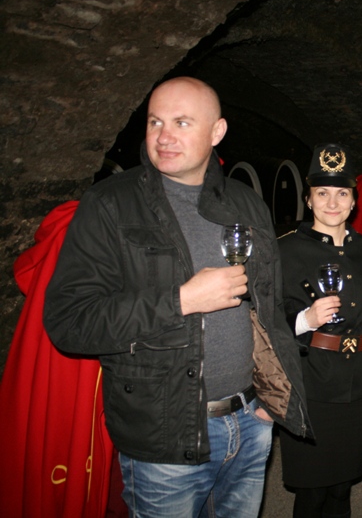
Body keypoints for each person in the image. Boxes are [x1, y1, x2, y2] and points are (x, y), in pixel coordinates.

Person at [43, 76, 310, 516]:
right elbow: (70, 322)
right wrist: (182, 300)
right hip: (164, 435)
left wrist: (269, 401)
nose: (164, 137)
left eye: (182, 123)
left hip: (250, 421)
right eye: (155, 122)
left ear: (217, 132)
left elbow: (270, 309)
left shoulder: (246, 203)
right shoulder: (110, 204)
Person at [277, 143, 362, 518]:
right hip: (309, 383)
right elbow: (262, 323)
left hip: (357, 384)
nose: (332, 202)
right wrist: (305, 320)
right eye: (322, 193)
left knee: (342, 490)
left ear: (354, 201)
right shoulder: (285, 251)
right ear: (308, 199)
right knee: (311, 493)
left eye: (342, 193)